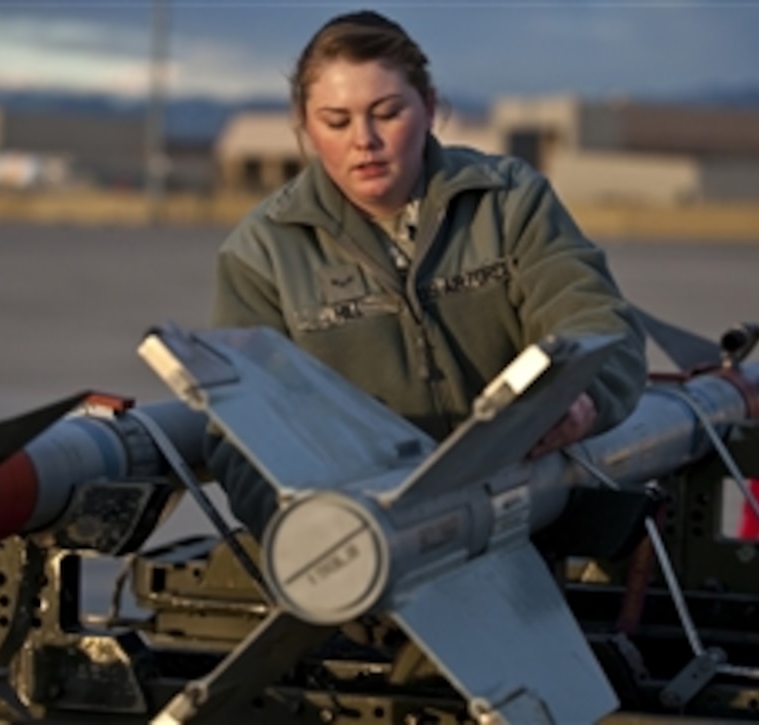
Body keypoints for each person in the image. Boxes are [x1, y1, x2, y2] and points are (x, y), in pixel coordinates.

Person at [206, 9, 648, 535]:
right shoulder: (262, 253)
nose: (364, 140)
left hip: (518, 521)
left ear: (430, 107)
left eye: (387, 112)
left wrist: (582, 400)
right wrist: (311, 532)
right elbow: (241, 434)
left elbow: (596, 322)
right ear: (305, 126)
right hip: (360, 544)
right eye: (337, 121)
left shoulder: (507, 202)